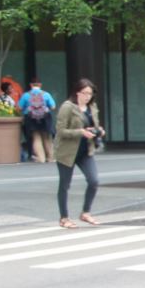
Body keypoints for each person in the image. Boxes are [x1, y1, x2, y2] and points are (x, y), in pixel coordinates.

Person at [53, 79, 104, 229]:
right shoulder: (68, 107)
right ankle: (64, 218)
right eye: (85, 93)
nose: (88, 96)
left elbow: (93, 126)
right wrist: (80, 132)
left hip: (85, 151)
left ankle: (86, 212)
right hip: (67, 152)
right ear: (77, 92)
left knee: (94, 180)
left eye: (90, 93)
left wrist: (98, 131)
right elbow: (60, 131)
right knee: (65, 184)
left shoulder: (92, 107)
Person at [18, 78, 56, 163]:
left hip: (31, 118)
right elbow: (53, 107)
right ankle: (50, 158)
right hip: (45, 118)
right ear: (40, 85)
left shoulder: (26, 95)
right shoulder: (46, 94)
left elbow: (19, 108)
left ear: (31, 85)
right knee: (46, 137)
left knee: (36, 137)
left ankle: (41, 158)